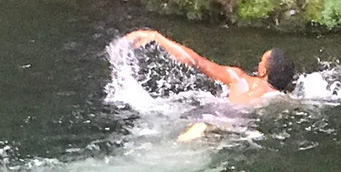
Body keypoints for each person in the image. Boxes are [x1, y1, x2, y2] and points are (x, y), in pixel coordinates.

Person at [123, 29, 296, 106]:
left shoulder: (238, 78)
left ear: (263, 71)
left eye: (261, 61)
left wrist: (156, 37)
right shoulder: (280, 99)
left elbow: (196, 61)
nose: (258, 63)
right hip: (235, 128)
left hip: (213, 114)